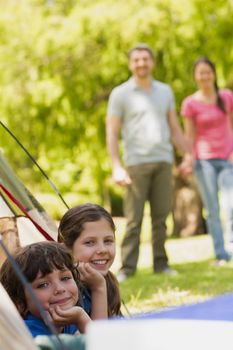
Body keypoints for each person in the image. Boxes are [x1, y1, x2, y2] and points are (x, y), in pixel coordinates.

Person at [106, 43, 190, 282]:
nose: (141, 63)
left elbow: (174, 128)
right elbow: (112, 132)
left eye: (145, 59)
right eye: (137, 59)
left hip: (163, 161)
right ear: (131, 64)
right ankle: (127, 269)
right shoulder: (120, 94)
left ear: (152, 62)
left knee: (161, 218)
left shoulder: (165, 91)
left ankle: (161, 264)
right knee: (133, 220)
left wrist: (187, 155)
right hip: (135, 164)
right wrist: (116, 165)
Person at [180, 56, 233, 265]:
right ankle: (221, 254)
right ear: (195, 77)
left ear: (213, 74)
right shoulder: (190, 103)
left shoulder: (227, 97)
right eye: (200, 72)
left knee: (230, 205)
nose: (204, 76)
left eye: (207, 71)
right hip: (204, 161)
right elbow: (189, 135)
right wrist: (187, 159)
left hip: (227, 158)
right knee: (212, 209)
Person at [0, 241, 91, 337]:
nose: (60, 289)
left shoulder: (71, 318)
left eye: (65, 278)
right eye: (43, 285)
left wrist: (81, 318)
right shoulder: (27, 335)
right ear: (20, 304)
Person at [58, 203, 122, 317]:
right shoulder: (64, 292)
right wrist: (98, 288)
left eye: (108, 241)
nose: (102, 250)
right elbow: (98, 333)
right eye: (89, 243)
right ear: (66, 248)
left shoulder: (109, 282)